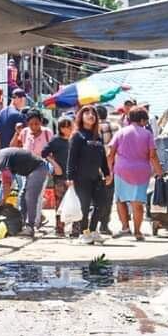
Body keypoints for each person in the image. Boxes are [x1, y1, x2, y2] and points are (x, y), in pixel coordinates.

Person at [107, 107, 163, 241]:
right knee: (137, 203)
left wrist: (109, 170)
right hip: (141, 171)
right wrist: (159, 172)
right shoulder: (147, 134)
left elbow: (110, 153)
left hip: (121, 170)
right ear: (143, 120)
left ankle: (125, 227)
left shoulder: (121, 132)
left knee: (120, 200)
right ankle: (138, 232)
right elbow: (153, 155)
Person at [67, 105, 110, 245]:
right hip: (81, 177)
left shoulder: (97, 136)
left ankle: (92, 230)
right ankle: (83, 233)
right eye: (87, 113)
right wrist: (70, 177)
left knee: (101, 204)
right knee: (84, 206)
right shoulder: (77, 136)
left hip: (96, 177)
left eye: (93, 113)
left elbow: (102, 156)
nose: (91, 115)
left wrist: (107, 173)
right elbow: (71, 158)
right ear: (81, 116)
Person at [0, 147, 49, 238]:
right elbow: (8, 181)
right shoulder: (2, 155)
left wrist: (4, 200)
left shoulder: (1, 158)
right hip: (29, 171)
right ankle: (21, 225)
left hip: (38, 168)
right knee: (22, 196)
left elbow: (7, 183)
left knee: (30, 197)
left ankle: (30, 227)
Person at [42, 117, 73, 237]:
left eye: (70, 126)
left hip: (74, 176)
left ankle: (76, 229)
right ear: (60, 128)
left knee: (77, 202)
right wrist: (54, 164)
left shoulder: (75, 139)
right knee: (60, 203)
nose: (68, 129)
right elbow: (44, 153)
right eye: (65, 126)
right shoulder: (55, 140)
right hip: (60, 176)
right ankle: (60, 229)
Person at [93, 105, 117, 235]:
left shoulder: (92, 128)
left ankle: (92, 225)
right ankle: (104, 224)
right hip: (110, 166)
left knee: (94, 197)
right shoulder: (115, 127)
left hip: (93, 166)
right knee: (108, 197)